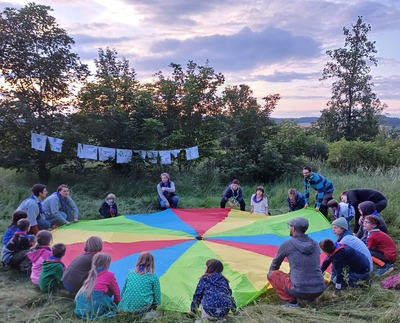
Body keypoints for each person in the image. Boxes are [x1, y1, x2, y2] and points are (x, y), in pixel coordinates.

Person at [267, 217, 325, 307]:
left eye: (290, 227)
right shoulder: (315, 244)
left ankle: (292, 302)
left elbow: (275, 265)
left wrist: (275, 280)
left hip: (299, 290)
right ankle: (311, 299)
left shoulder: (287, 244)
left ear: (293, 228)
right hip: (319, 289)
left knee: (272, 274)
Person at [74, 253, 121, 320]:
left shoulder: (91, 273)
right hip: (96, 306)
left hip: (81, 307)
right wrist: (116, 302)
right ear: (106, 264)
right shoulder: (109, 275)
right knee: (106, 294)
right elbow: (117, 292)